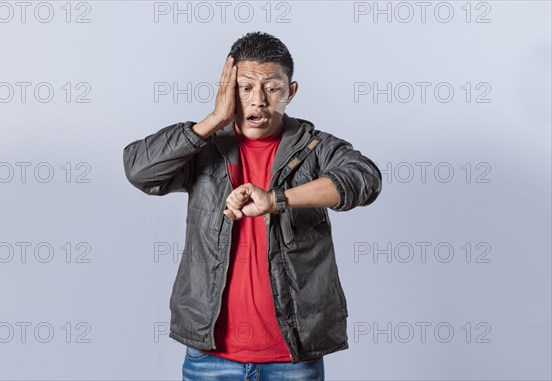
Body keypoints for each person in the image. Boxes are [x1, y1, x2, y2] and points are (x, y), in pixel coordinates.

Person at [123, 31, 382, 381]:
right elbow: (139, 170)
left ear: (290, 92)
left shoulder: (313, 147)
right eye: (245, 87)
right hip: (210, 358)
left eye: (272, 88)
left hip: (294, 359)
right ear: (228, 90)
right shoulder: (205, 148)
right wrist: (214, 119)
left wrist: (278, 200)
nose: (258, 100)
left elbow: (364, 179)